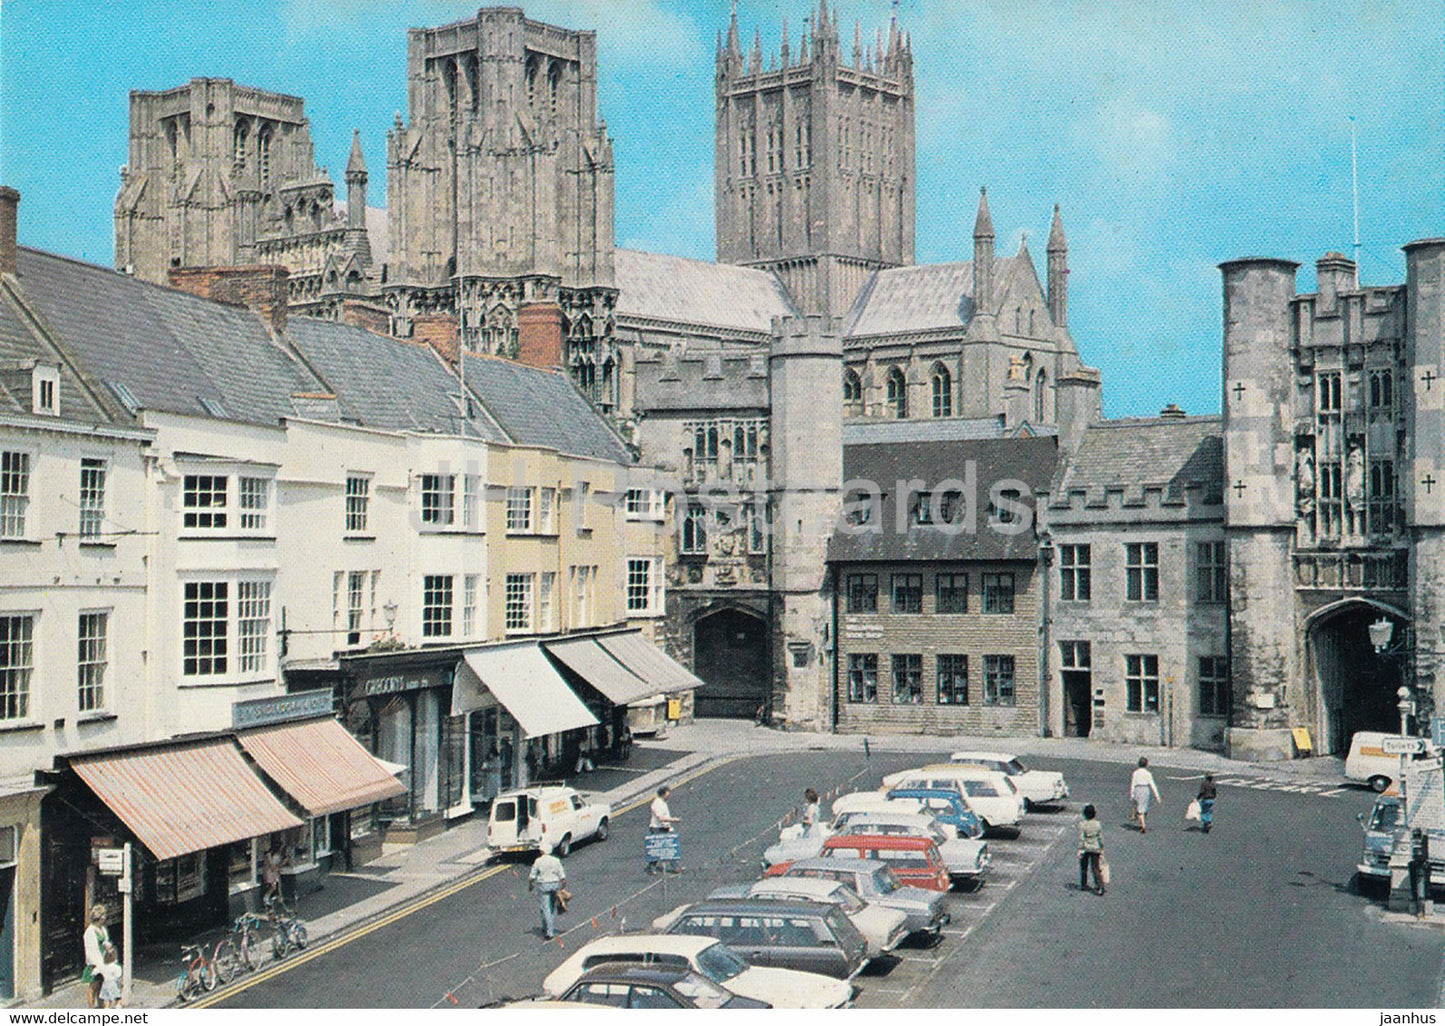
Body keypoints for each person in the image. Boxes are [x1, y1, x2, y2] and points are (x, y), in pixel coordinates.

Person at [528, 843, 567, 940]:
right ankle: (545, 926)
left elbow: (532, 876)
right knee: (551, 907)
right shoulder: (556, 861)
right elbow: (563, 877)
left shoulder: (538, 861)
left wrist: (530, 885)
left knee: (545, 908)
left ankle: (549, 932)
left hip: (543, 885)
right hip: (555, 884)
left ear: (542, 851)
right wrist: (562, 888)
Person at [647, 786, 682, 875]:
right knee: (656, 849)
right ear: (663, 793)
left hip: (664, 827)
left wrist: (669, 826)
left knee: (669, 847)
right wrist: (673, 820)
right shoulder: (656, 804)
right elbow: (660, 818)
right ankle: (652, 868)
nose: (668, 795)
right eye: (667, 793)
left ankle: (676, 867)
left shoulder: (663, 803)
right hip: (657, 828)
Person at [82, 904, 109, 1008]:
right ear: (99, 917)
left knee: (101, 985)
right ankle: (91, 1008)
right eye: (103, 915)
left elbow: (105, 942)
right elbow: (91, 950)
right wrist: (97, 964)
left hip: (103, 961)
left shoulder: (101, 929)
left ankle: (101, 1006)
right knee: (93, 986)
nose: (105, 917)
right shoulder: (90, 932)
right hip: (95, 964)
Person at [1078, 804, 1105, 895]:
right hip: (1095, 847)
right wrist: (1101, 848)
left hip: (1086, 847)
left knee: (1083, 866)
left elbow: (1081, 838)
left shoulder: (1082, 824)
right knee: (1095, 867)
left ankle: (1083, 884)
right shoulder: (1098, 824)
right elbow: (1100, 837)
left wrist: (1079, 849)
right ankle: (1100, 885)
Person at [1129, 757, 1162, 833]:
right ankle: (1143, 823)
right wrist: (1157, 796)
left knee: (1139, 808)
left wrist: (1131, 794)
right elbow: (1152, 784)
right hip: (1145, 789)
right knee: (1144, 806)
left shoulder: (1135, 773)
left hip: (1138, 789)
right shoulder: (1148, 773)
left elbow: (1133, 784)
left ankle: (1142, 824)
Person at [96, 944, 123, 1008]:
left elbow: (95, 971)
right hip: (113, 984)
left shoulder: (103, 966)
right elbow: (118, 975)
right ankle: (118, 1006)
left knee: (107, 999)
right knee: (117, 997)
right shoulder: (116, 967)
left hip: (105, 984)